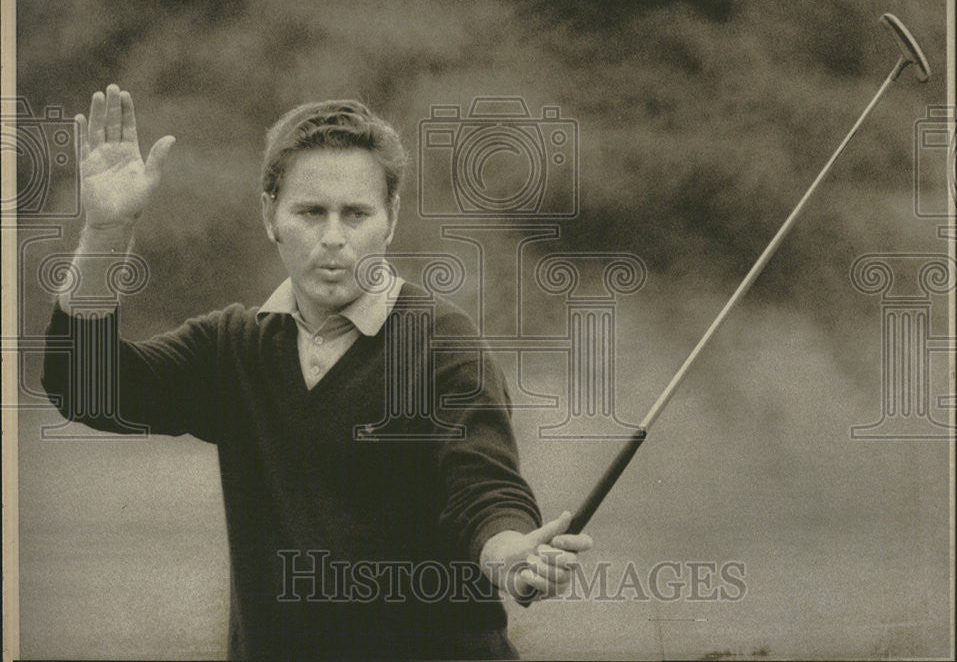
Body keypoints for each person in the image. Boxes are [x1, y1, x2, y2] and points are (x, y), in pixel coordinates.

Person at [41, 84, 593, 661]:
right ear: (270, 215)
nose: (333, 237)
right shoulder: (234, 345)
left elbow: (485, 490)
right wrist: (105, 234)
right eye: (310, 211)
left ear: (392, 218)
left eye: (355, 212)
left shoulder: (442, 341)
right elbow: (88, 389)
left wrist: (511, 555)